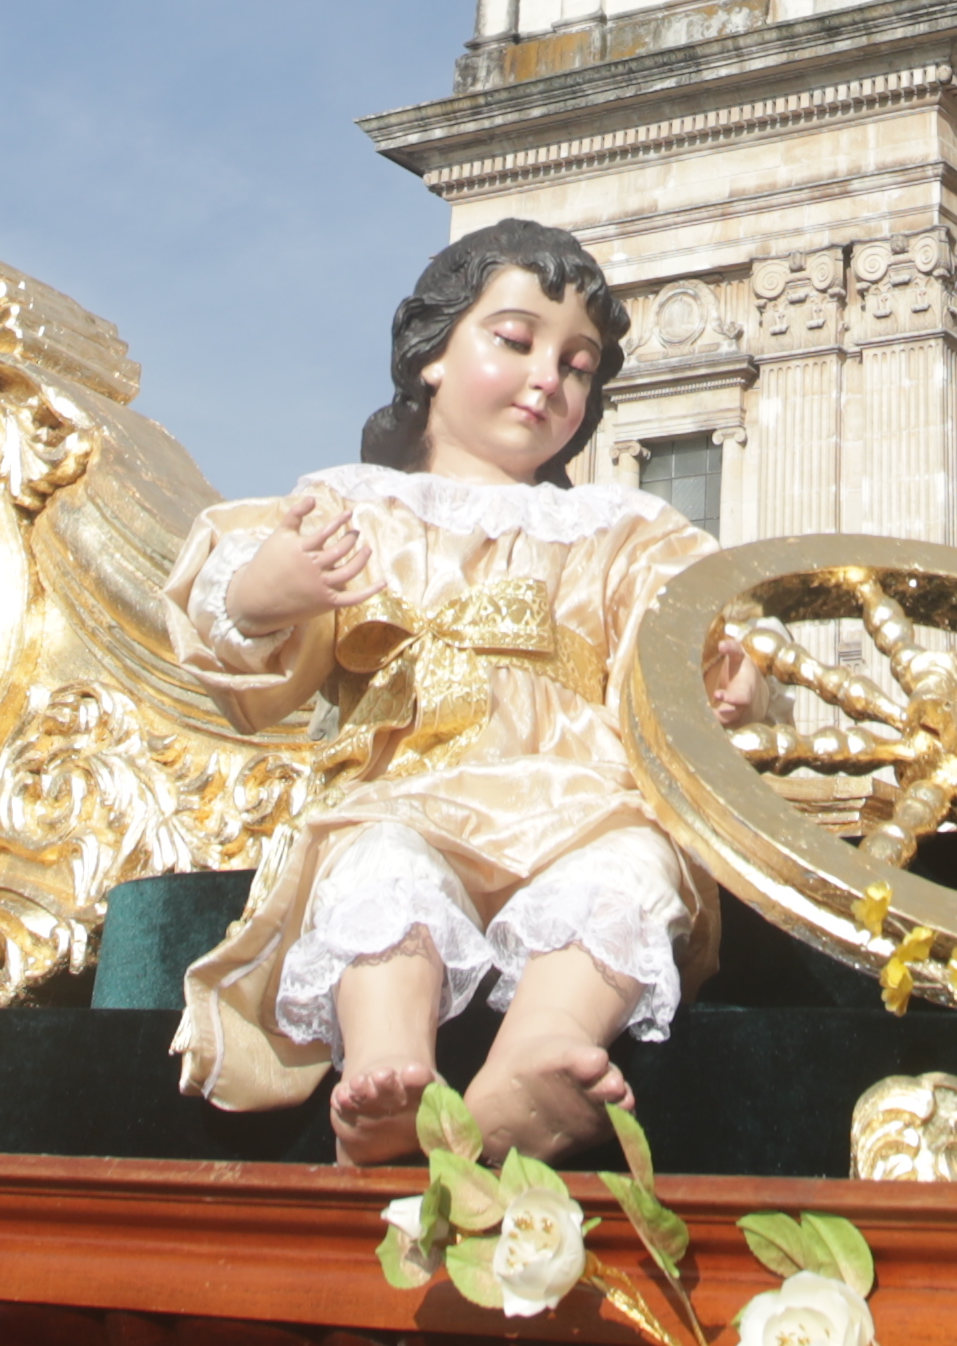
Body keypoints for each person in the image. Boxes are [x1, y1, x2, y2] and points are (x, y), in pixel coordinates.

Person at [169, 220, 756, 1164]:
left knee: (629, 869)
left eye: (577, 365)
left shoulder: (617, 528)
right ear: (432, 355)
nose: (546, 380)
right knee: (379, 865)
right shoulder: (359, 507)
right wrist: (265, 590)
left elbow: (682, 615)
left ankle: (540, 1052)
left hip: (580, 795)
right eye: (515, 341)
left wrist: (720, 673)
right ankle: (390, 1067)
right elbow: (239, 636)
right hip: (410, 785)